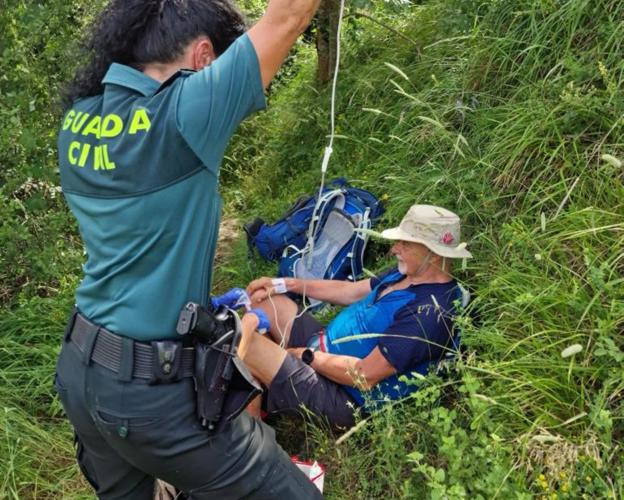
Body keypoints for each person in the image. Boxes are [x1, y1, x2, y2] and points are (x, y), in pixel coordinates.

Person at [54, 0, 324, 498]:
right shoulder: (181, 114)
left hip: (80, 368)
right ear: (203, 56)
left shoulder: (77, 121)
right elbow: (288, 16)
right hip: (149, 393)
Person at [238, 204, 472, 428]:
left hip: (340, 396)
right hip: (321, 348)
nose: (394, 249)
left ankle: (252, 443)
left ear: (432, 254)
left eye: (405, 244)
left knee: (244, 343)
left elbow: (365, 375)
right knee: (265, 301)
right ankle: (262, 389)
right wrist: (284, 284)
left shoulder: (430, 312)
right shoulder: (408, 274)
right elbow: (350, 291)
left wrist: (305, 356)